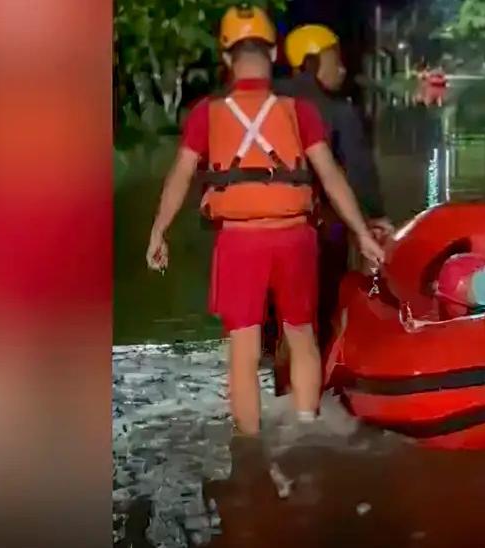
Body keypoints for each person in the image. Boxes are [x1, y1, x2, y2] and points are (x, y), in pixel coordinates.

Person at [145, 6, 384, 436]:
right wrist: (362, 234)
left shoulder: (206, 113)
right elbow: (330, 176)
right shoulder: (300, 111)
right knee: (302, 337)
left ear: (225, 57)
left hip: (239, 242)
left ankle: (251, 449)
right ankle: (308, 433)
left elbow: (180, 176)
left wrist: (158, 231)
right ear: (274, 53)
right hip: (295, 238)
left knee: (244, 348)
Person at [277, 23, 393, 351]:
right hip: (320, 226)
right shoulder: (339, 110)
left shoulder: (267, 102)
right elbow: (360, 171)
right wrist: (375, 218)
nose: (342, 68)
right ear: (312, 63)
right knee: (323, 307)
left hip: (263, 227)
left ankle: (273, 369)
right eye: (334, 61)